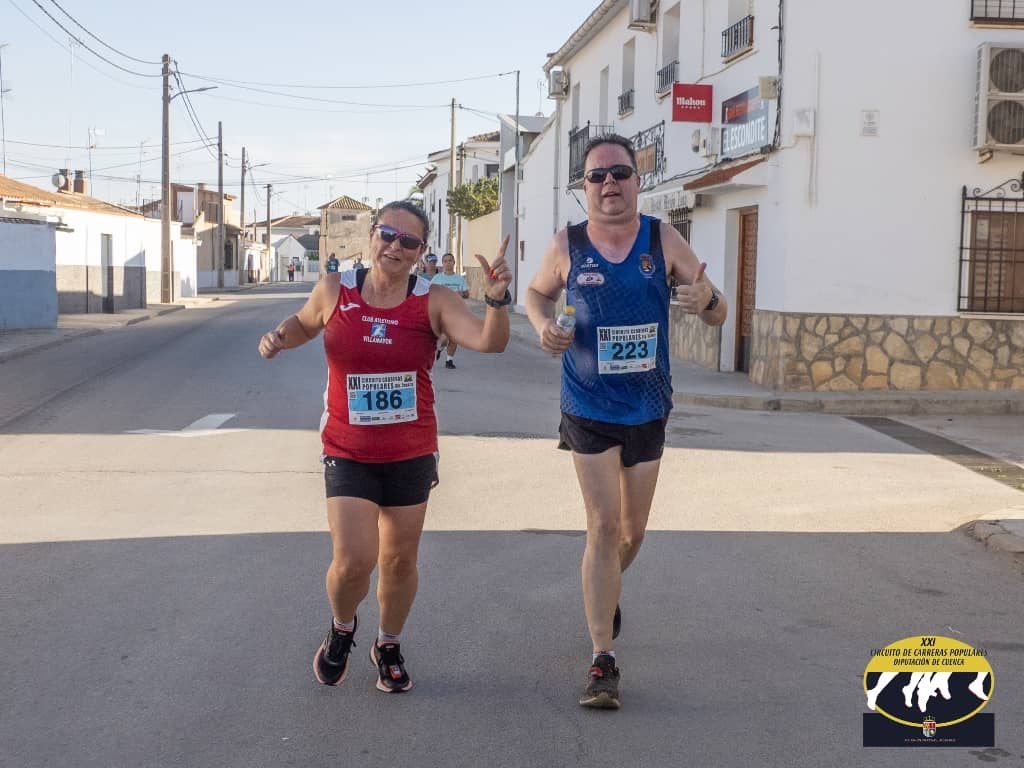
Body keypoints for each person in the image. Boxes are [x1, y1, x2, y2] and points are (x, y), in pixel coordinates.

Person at [259, 200, 513, 694]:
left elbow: (490, 341)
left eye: (409, 241)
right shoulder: (335, 289)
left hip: (409, 451)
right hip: (347, 447)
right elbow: (305, 323)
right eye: (388, 235)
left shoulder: (434, 300)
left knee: (399, 562)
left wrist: (498, 302)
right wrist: (279, 338)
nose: (396, 247)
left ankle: (388, 644)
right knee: (353, 561)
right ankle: (342, 626)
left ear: (421, 251)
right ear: (372, 235)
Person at [525, 134, 727, 709]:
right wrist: (543, 326)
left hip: (648, 405)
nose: (609, 183)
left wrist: (707, 302)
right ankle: (602, 659)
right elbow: (537, 294)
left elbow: (717, 311)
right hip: (587, 403)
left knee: (632, 533)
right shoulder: (567, 243)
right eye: (597, 176)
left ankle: (605, 590)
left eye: (619, 173)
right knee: (603, 525)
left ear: (638, 181)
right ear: (584, 187)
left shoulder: (661, 239)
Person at [430, 253, 470, 369]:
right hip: (442, 312)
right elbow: (430, 293)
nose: (448, 263)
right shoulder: (437, 278)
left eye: (450, 260)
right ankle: (440, 348)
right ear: (442, 264)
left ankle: (449, 361)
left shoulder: (459, 279)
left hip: (457, 312)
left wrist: (462, 294)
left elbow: (467, 294)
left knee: (454, 338)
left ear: (454, 263)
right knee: (444, 338)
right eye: (445, 261)